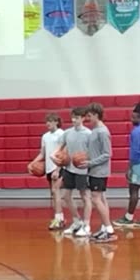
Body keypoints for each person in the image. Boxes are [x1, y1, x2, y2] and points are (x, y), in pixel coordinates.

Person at [82, 102, 117, 242]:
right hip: (94, 170)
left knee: (96, 199)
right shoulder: (95, 131)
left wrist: (91, 162)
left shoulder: (102, 132)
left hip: (99, 171)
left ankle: (109, 230)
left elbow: (107, 154)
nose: (87, 119)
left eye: (89, 116)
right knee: (101, 198)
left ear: (96, 115)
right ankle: (104, 228)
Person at [60, 107, 93, 238]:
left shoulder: (89, 134)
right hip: (69, 168)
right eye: (73, 117)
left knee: (85, 196)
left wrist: (87, 161)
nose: (74, 120)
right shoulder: (67, 133)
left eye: (77, 117)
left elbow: (93, 152)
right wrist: (57, 164)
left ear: (83, 118)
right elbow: (61, 150)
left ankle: (86, 225)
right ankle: (76, 221)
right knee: (66, 195)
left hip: (82, 169)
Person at [33, 113, 66, 230]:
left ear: (56, 122)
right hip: (48, 167)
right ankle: (60, 217)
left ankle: (59, 219)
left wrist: (58, 169)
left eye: (50, 121)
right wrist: (32, 163)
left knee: (56, 191)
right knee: (53, 193)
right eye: (47, 121)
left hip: (58, 167)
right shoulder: (45, 136)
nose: (48, 123)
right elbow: (42, 153)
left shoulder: (62, 134)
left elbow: (64, 153)